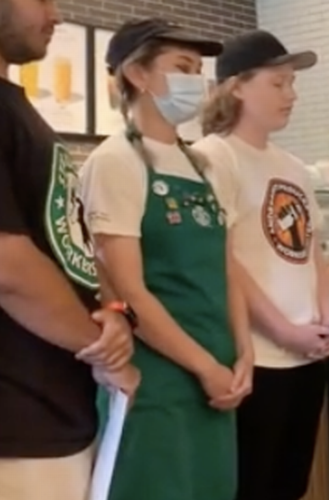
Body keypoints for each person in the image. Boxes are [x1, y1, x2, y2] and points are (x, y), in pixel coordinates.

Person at [0, 0, 138, 497]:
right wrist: (101, 348)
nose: (55, 14)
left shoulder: (6, 102)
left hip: (51, 416)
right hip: (1, 430)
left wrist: (113, 311)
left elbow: (67, 238)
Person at [79, 18, 250, 500]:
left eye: (199, 68)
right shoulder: (115, 162)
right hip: (157, 380)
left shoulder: (208, 164)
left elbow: (228, 267)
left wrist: (243, 354)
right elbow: (127, 290)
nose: (197, 80)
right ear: (137, 74)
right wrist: (203, 366)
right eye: (182, 66)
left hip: (219, 379)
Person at [192, 29, 329, 500]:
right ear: (237, 85)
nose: (291, 95)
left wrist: (324, 314)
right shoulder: (215, 156)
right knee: (254, 484)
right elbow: (225, 257)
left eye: (292, 83)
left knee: (292, 483)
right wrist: (280, 328)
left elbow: (312, 248)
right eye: (278, 84)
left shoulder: (293, 165)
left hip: (308, 350)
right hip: (259, 356)